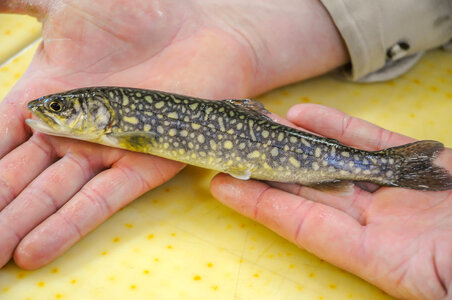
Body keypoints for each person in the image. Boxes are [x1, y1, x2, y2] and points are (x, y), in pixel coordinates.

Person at [0, 0, 451, 299]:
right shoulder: (117, 121)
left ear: (102, 113)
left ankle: (391, 169)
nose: (49, 112)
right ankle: (390, 168)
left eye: (60, 107)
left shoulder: (125, 128)